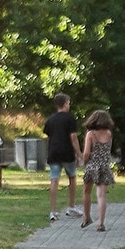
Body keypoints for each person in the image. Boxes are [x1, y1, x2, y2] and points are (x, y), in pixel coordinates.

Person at [44, 92, 81, 220]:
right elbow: (73, 137)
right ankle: (71, 206)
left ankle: (53, 211)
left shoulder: (51, 119)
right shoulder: (70, 118)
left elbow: (48, 137)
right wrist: (79, 153)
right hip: (67, 152)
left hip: (54, 152)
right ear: (65, 104)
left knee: (54, 179)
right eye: (69, 103)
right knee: (72, 177)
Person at [79, 109, 116, 231]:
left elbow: (86, 153)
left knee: (87, 192)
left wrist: (84, 163)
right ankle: (101, 223)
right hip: (104, 166)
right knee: (101, 195)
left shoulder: (91, 134)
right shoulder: (109, 134)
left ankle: (87, 217)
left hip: (92, 165)